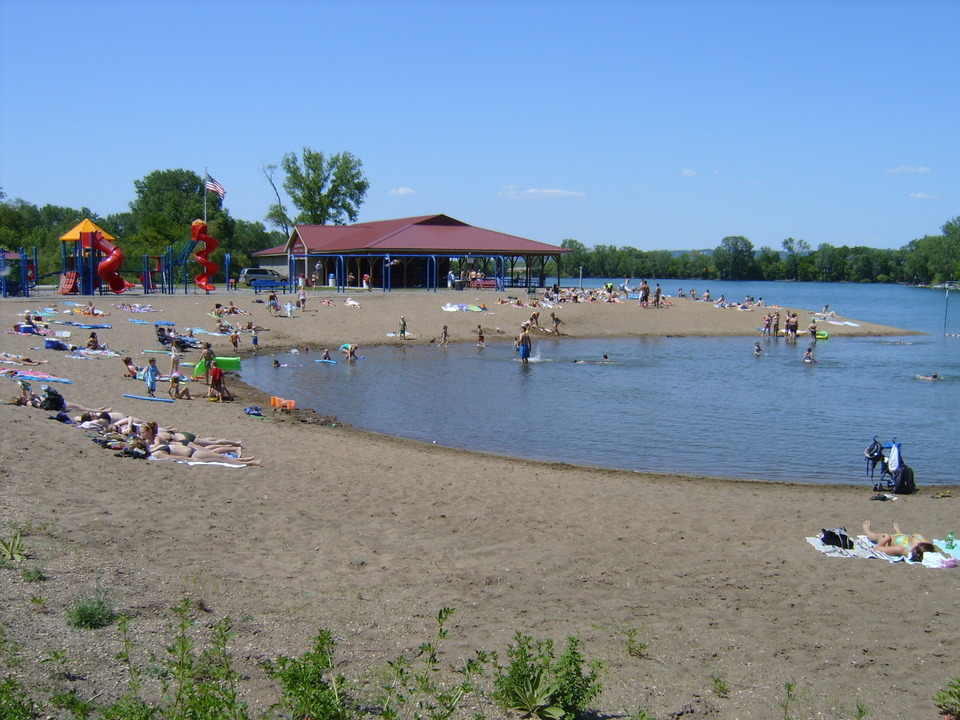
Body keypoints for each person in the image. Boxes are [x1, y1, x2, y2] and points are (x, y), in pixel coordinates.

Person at [862, 522, 947, 562]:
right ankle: (898, 531)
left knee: (877, 536)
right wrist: (919, 538)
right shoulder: (925, 546)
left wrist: (886, 539)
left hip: (890, 540)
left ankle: (867, 530)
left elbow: (876, 549)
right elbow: (917, 535)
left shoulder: (901, 549)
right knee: (907, 537)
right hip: (903, 538)